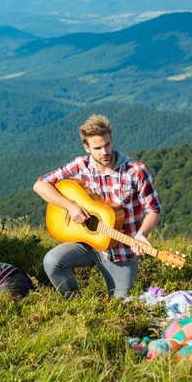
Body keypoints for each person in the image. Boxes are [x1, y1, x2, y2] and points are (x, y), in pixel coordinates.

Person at [33, 114, 161, 299]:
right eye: (97, 148)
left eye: (107, 144)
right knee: (52, 261)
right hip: (87, 245)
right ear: (87, 147)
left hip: (121, 252)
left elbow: (153, 210)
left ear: (111, 139)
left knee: (121, 307)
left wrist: (142, 234)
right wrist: (70, 206)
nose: (104, 152)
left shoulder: (136, 171)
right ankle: (75, 304)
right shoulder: (81, 165)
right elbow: (40, 185)